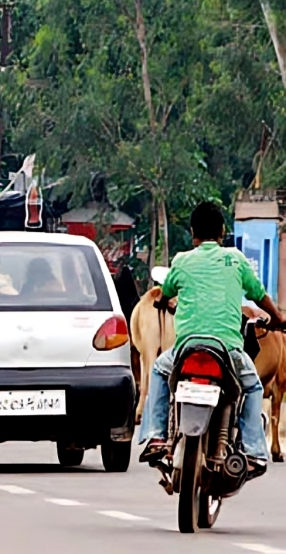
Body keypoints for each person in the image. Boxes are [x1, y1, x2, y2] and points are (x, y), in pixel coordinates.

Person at [138, 200, 283, 478]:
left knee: (158, 370)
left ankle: (157, 436)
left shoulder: (181, 260)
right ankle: (253, 450)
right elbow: (258, 294)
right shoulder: (236, 260)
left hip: (186, 349)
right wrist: (277, 318)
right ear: (222, 232)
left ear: (193, 233)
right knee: (252, 388)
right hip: (227, 350)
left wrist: (166, 302)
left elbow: (166, 292)